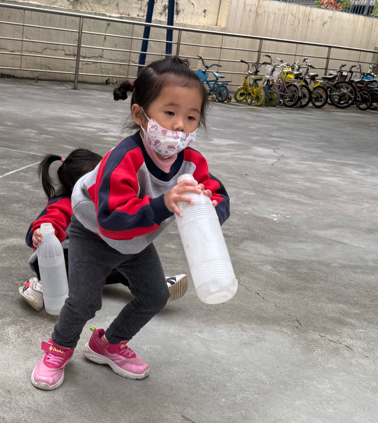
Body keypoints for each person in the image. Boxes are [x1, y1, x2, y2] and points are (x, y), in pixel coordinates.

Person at [31, 57, 230, 390]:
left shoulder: (192, 163)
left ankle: (108, 344)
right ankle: (59, 349)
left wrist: (211, 208)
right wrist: (163, 203)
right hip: (95, 235)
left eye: (191, 117)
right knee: (83, 302)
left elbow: (216, 192)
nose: (180, 126)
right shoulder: (124, 158)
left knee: (154, 296)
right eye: (170, 112)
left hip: (136, 240)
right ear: (140, 114)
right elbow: (114, 219)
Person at [20, 149, 187, 310]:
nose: (107, 184)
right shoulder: (66, 203)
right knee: (67, 282)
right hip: (60, 261)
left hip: (90, 260)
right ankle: (39, 287)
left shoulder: (108, 202)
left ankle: (152, 283)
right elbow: (51, 220)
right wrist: (41, 232)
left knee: (123, 260)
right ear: (76, 186)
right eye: (99, 181)